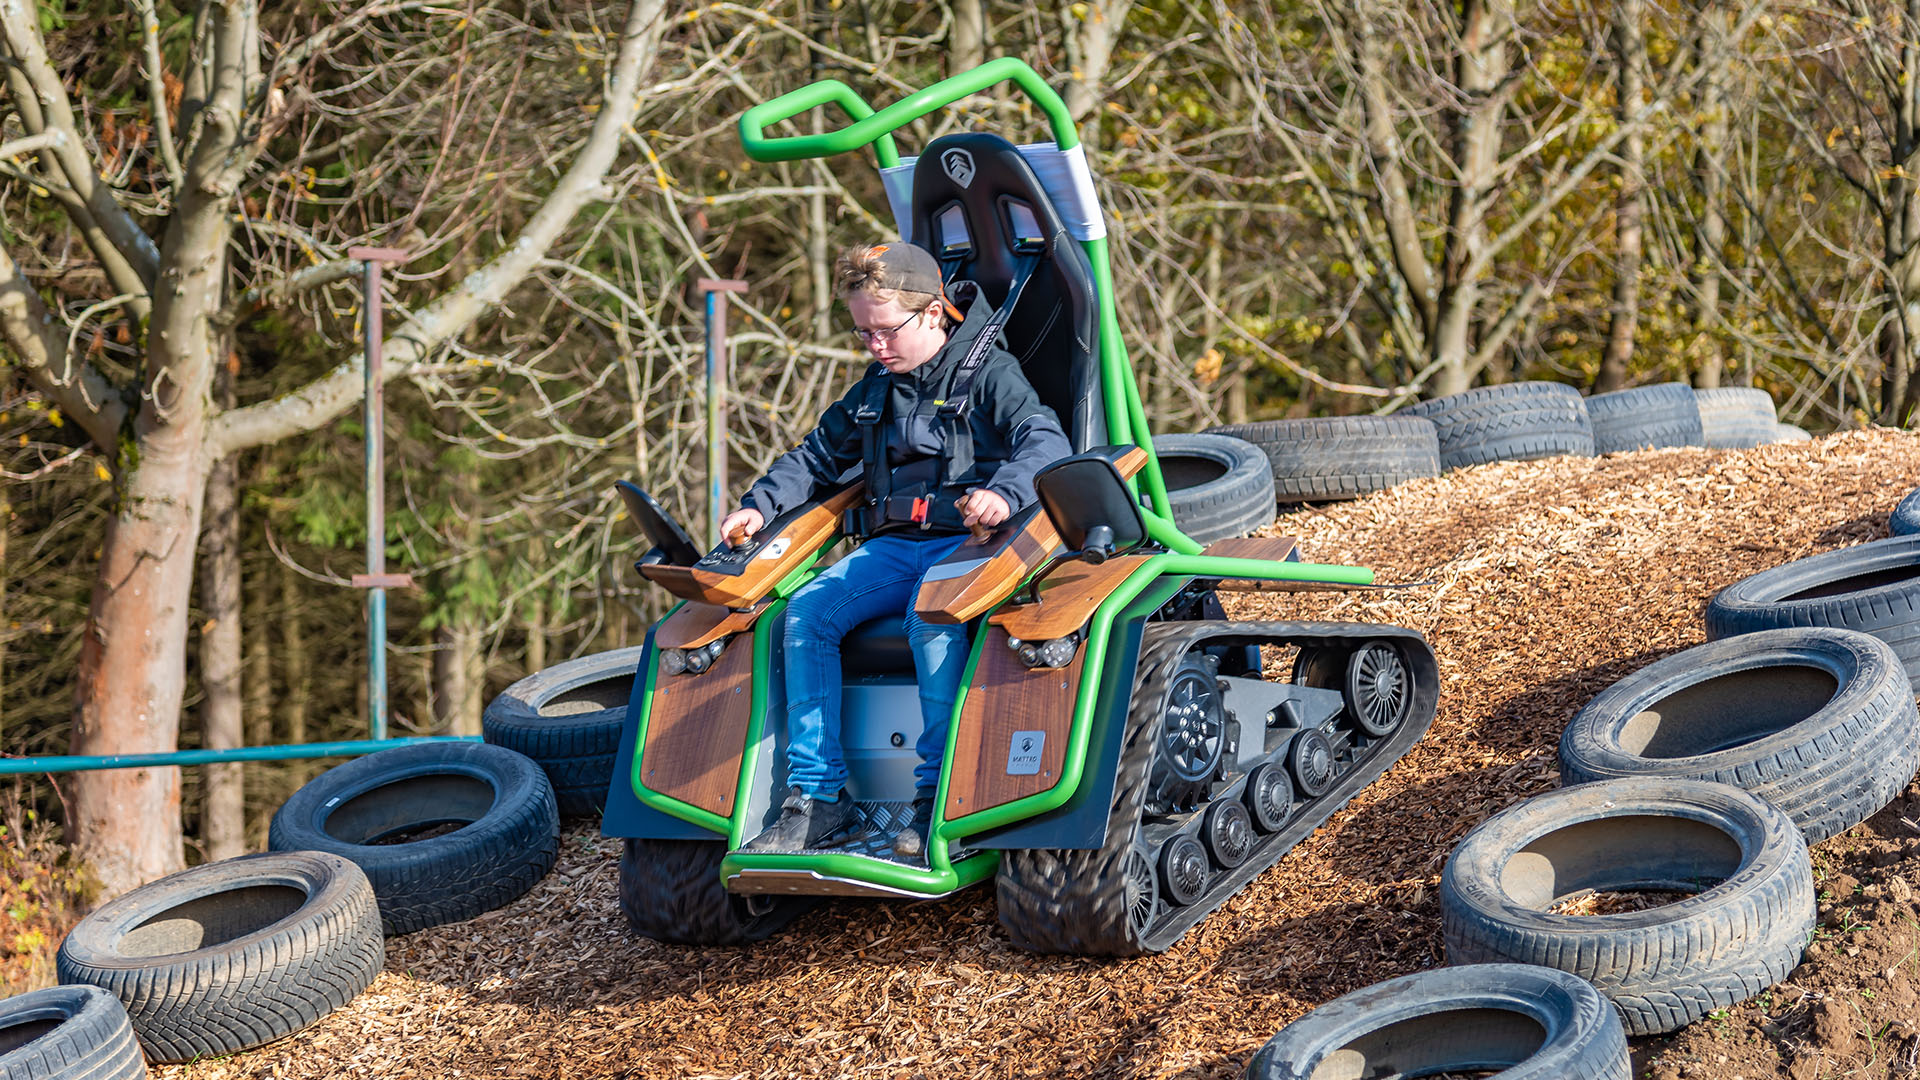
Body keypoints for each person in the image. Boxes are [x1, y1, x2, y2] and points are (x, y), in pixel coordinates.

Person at [726, 241, 1071, 859]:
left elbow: (1044, 438)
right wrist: (758, 504)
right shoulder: (874, 388)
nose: (876, 346)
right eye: (863, 334)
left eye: (886, 331)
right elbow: (814, 457)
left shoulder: (990, 373)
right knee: (806, 614)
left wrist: (1003, 493)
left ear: (934, 313)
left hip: (975, 545)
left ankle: (937, 796)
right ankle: (817, 798)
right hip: (895, 549)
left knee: (927, 618)